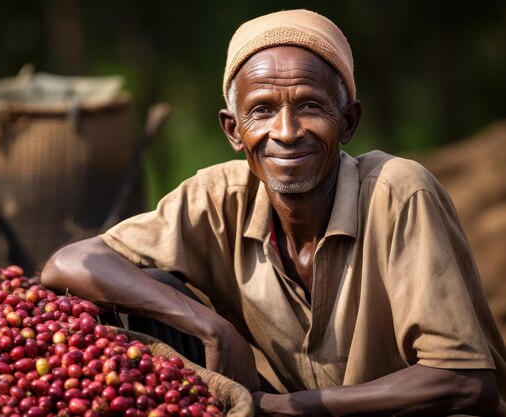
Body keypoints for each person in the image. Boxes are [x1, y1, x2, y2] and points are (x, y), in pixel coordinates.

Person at [41, 9, 506, 416]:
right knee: (153, 293)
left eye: (310, 106)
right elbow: (69, 263)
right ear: (233, 130)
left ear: (348, 122)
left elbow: (465, 383)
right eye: (261, 110)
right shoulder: (220, 195)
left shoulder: (399, 192)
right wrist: (213, 327)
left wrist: (281, 408)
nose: (286, 131)